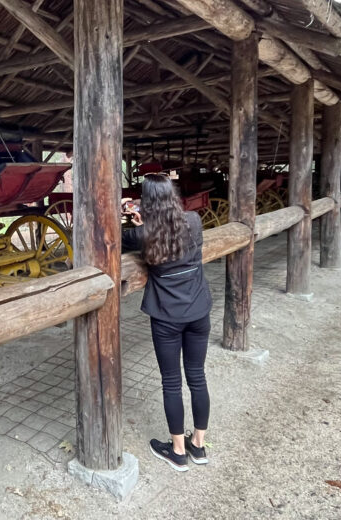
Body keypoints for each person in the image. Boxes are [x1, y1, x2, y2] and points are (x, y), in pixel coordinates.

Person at [122, 174, 213, 472]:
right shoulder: (194, 221)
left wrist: (136, 222)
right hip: (199, 311)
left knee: (171, 383)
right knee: (197, 377)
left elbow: (124, 238)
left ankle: (176, 451)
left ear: (146, 201)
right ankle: (198, 445)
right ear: (172, 195)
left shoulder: (141, 235)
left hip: (167, 318)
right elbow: (174, 232)